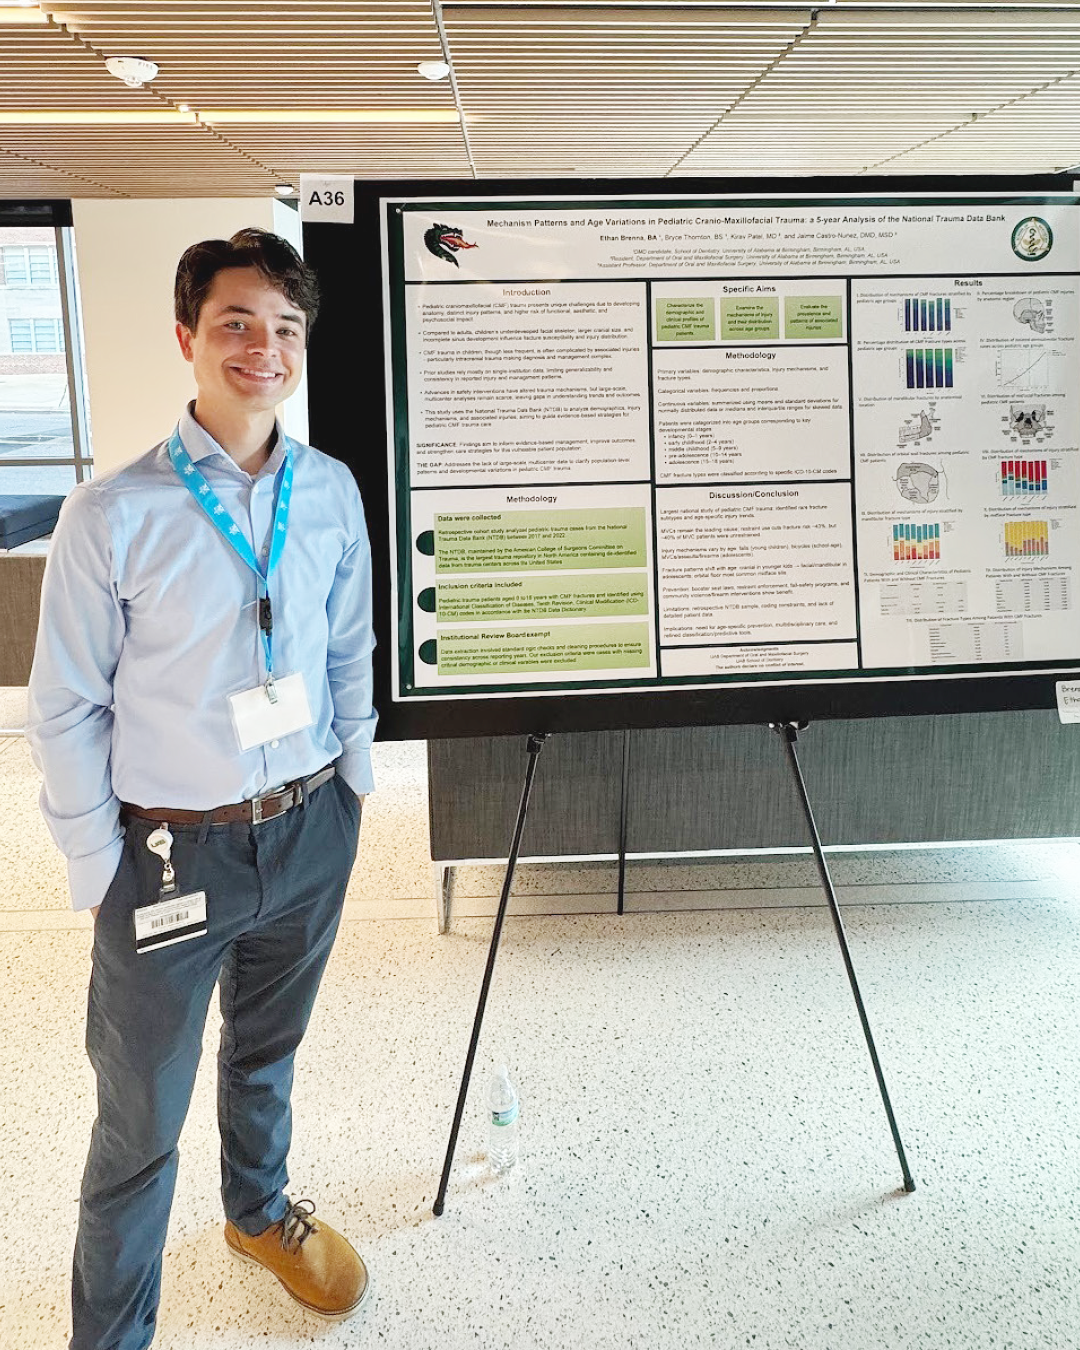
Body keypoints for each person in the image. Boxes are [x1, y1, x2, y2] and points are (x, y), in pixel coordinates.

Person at [26, 227, 377, 1350]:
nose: (262, 347)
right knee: (138, 1124)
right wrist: (96, 865)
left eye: (284, 327)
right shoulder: (111, 513)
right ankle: (111, 1337)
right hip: (170, 856)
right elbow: (67, 704)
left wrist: (354, 784)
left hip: (309, 830)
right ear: (187, 337)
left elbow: (349, 649)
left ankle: (259, 1213)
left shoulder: (327, 491)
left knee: (267, 1052)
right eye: (236, 322)